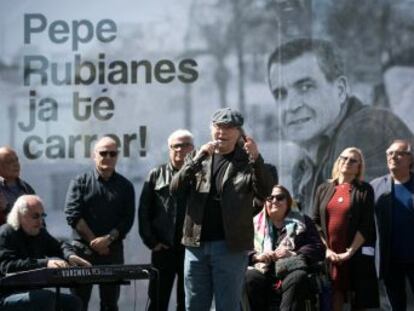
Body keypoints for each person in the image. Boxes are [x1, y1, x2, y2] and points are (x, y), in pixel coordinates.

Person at [267, 38, 414, 212]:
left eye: (306, 87)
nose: (291, 106)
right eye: (280, 94)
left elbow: (353, 230)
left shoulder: (365, 130)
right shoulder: (303, 167)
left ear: (340, 90)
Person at [170, 107, 274, 311]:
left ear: (238, 133)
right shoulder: (199, 157)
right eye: (218, 127)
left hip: (230, 247)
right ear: (211, 129)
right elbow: (175, 189)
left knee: (227, 306)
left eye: (228, 128)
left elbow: (265, 191)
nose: (222, 133)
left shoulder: (247, 162)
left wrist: (256, 159)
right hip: (195, 245)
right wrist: (198, 159)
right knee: (194, 306)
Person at [64, 136, 135, 311]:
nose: (108, 157)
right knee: (78, 303)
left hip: (112, 252)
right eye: (103, 153)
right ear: (94, 155)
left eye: (113, 153)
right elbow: (72, 214)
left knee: (110, 305)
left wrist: (108, 240)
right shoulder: (79, 182)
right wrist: (94, 242)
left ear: (117, 156)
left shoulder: (126, 186)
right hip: (82, 252)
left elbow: (127, 220)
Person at [313, 147, 379, 311]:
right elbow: (315, 223)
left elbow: (366, 225)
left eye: (353, 160)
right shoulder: (323, 188)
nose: (347, 162)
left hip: (354, 253)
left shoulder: (364, 190)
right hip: (331, 254)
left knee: (358, 298)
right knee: (334, 295)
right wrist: (326, 250)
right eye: (344, 158)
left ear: (359, 167)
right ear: (338, 161)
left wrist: (350, 252)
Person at [0, 195, 91, 311]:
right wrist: (46, 263)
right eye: (35, 216)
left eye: (42, 216)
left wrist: (70, 255)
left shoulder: (39, 232)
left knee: (74, 302)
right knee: (45, 299)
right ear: (20, 216)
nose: (40, 221)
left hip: (33, 292)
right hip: (6, 295)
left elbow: (59, 245)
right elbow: (7, 267)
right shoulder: (5, 233)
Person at [138, 129, 195, 311]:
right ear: (169, 149)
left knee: (186, 302)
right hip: (163, 249)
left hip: (191, 250)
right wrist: (152, 242)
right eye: (176, 145)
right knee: (157, 300)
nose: (180, 149)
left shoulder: (201, 175)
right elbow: (144, 211)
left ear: (193, 148)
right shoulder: (156, 174)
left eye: (185, 144)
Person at [245, 184, 325, 311]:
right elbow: (242, 250)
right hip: (263, 270)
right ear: (265, 202)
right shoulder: (253, 224)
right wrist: (257, 256)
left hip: (290, 269)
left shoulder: (303, 221)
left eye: (280, 197)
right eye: (270, 198)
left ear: (288, 202)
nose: (274, 201)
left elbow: (318, 247)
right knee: (250, 278)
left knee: (298, 277)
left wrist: (294, 254)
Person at [371, 139, 414, 311]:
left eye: (400, 153)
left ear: (410, 159)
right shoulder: (376, 186)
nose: (393, 157)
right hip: (390, 259)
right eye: (390, 153)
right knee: (396, 305)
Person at [0, 147, 35, 225]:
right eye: (9, 161)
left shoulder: (27, 189)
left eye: (16, 160)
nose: (16, 164)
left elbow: (39, 221)